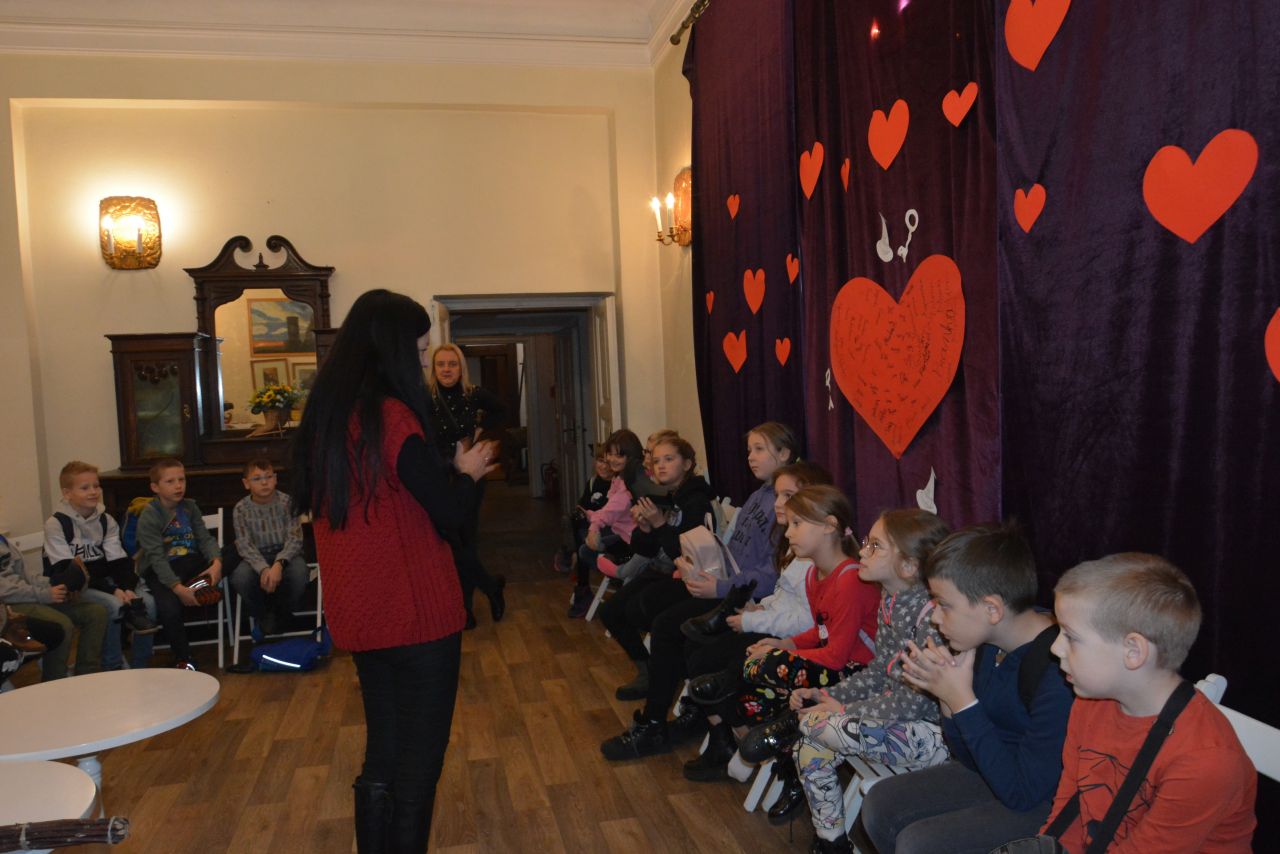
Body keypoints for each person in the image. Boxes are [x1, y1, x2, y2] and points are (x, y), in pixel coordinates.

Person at [291, 289, 496, 854]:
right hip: (415, 615)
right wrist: (468, 473)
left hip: (362, 613)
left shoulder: (327, 418)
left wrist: (446, 472)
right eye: (420, 348)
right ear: (393, 348)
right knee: (417, 766)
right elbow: (450, 515)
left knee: (383, 752)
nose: (425, 360)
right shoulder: (392, 416)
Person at [861, 524, 1074, 854]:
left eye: (944, 604)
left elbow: (1023, 793)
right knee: (880, 805)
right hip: (996, 772)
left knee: (919, 844)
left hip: (1043, 801)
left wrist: (962, 702)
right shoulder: (985, 644)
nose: (935, 618)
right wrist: (948, 701)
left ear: (992, 609)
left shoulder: (1057, 673)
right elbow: (970, 759)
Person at [598, 421, 801, 758]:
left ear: (784, 454)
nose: (750, 457)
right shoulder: (758, 496)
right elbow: (731, 551)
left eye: (759, 449)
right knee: (652, 612)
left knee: (668, 625)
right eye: (749, 450)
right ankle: (686, 710)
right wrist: (702, 569)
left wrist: (717, 585)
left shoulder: (784, 506)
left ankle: (657, 723)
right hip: (723, 583)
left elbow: (769, 574)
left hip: (743, 598)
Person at [1041, 553, 1255, 852]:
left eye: (1071, 636)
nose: (1055, 648)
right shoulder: (1091, 702)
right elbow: (1067, 815)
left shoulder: (1206, 761)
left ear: (1133, 651)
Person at [776, 508, 953, 849]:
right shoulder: (891, 600)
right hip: (892, 720)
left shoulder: (931, 617)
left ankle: (789, 726)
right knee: (809, 746)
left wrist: (842, 710)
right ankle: (831, 842)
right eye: (866, 543)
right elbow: (878, 672)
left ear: (909, 566)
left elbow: (914, 703)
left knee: (819, 725)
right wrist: (827, 694)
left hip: (930, 735)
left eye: (875, 546)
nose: (862, 551)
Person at [680, 461, 830, 784]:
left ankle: (739, 731)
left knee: (711, 660)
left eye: (788, 495)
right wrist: (759, 608)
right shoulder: (793, 543)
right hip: (770, 623)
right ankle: (723, 735)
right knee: (695, 647)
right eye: (777, 495)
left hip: (788, 639)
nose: (778, 503)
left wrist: (753, 619)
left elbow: (804, 619)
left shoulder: (813, 556)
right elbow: (784, 597)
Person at [42, 460, 159, 671]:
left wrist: (126, 588)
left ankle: (140, 665)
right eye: (85, 487)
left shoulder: (106, 520)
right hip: (73, 587)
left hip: (105, 581)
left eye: (96, 486)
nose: (93, 492)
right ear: (67, 493)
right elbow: (69, 571)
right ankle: (111, 665)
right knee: (113, 605)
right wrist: (113, 590)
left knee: (147, 603)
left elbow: (119, 561)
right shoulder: (56, 524)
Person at [427, 342, 508, 629]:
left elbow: (501, 410)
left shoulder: (473, 394)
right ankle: (490, 586)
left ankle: (466, 610)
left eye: (452, 364)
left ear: (461, 367)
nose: (447, 369)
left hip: (471, 477)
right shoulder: (426, 398)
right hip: (440, 477)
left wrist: (481, 432)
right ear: (434, 368)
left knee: (466, 540)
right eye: (441, 364)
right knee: (452, 542)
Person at [135, 459, 223, 671]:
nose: (178, 486)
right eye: (170, 481)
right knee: (170, 608)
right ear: (155, 487)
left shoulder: (190, 507)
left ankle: (198, 584)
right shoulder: (150, 515)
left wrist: (216, 563)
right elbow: (156, 558)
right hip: (162, 570)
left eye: (181, 480)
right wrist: (178, 589)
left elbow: (205, 539)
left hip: (191, 563)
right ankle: (184, 658)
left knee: (233, 552)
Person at [0, 531, 106, 680]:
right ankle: (55, 680)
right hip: (9, 606)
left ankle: (87, 675)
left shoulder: (3, 541)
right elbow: (3, 590)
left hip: (29, 596)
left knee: (95, 612)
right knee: (62, 624)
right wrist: (44, 594)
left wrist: (57, 584)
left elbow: (26, 577)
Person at [230, 458, 309, 639]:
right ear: (246, 483)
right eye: (257, 478)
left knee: (299, 573)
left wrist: (279, 564)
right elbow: (244, 544)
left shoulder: (287, 502)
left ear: (275, 479)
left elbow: (295, 539)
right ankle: (264, 615)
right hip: (255, 557)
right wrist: (264, 568)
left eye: (268, 477)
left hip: (286, 555)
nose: (264, 482)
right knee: (240, 577)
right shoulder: (240, 509)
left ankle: (282, 613)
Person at [568, 429, 644, 618]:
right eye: (610, 454)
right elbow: (608, 510)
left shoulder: (628, 484)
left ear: (631, 456)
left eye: (619, 455)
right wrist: (591, 516)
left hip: (630, 540)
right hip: (621, 532)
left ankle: (621, 575)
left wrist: (594, 525)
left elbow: (611, 511)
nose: (612, 459)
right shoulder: (619, 478)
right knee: (582, 533)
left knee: (586, 548)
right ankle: (615, 575)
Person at [554, 448, 612, 574]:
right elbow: (582, 505)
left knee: (580, 533)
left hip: (605, 525)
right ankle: (572, 552)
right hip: (588, 521)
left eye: (607, 462)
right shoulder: (592, 482)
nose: (603, 466)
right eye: (600, 461)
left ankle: (574, 557)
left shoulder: (616, 484)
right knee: (568, 519)